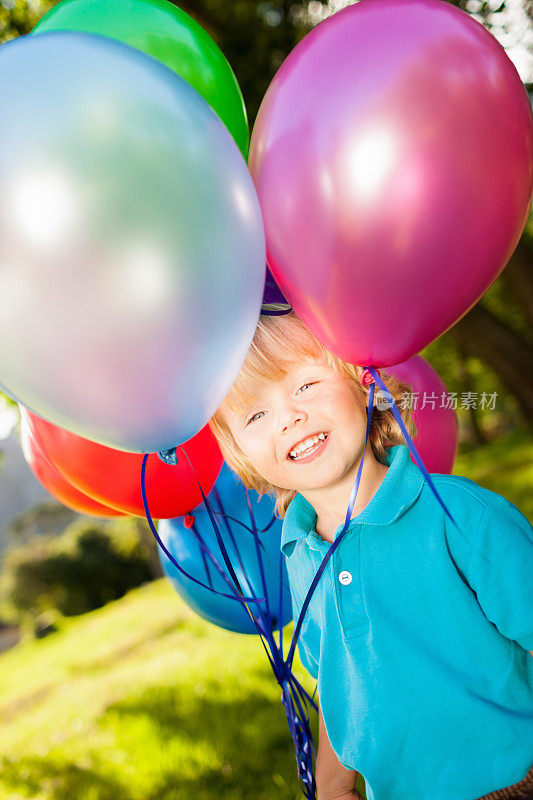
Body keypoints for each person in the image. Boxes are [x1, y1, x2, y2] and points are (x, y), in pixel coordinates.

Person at [209, 306, 533, 800]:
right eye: (256, 414)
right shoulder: (298, 555)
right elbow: (340, 689)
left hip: (509, 779)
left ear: (367, 385)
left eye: (305, 385)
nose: (290, 417)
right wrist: (333, 786)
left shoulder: (457, 514)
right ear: (241, 454)